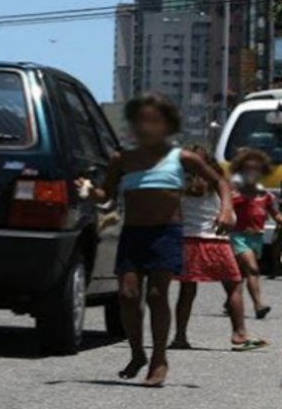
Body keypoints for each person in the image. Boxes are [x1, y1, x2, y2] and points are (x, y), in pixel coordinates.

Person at [77, 94, 233, 387]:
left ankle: (159, 358)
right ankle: (138, 353)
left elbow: (220, 181)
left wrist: (226, 209)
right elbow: (105, 195)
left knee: (157, 295)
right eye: (140, 121)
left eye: (154, 121)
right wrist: (88, 190)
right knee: (127, 294)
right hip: (134, 233)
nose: (146, 127)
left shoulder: (182, 157)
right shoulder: (121, 159)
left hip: (166, 233)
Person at [170, 146, 267, 352]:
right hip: (215, 242)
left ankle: (180, 336)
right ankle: (239, 334)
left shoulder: (176, 183)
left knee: (187, 290)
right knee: (233, 286)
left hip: (187, 242)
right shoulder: (217, 184)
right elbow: (230, 217)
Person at [230, 148, 282, 320]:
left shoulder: (265, 196)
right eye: (247, 169)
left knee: (241, 274)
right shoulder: (236, 194)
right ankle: (259, 305)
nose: (252, 173)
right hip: (238, 237)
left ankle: (230, 300)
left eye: (256, 169)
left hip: (257, 238)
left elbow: (276, 215)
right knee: (252, 269)